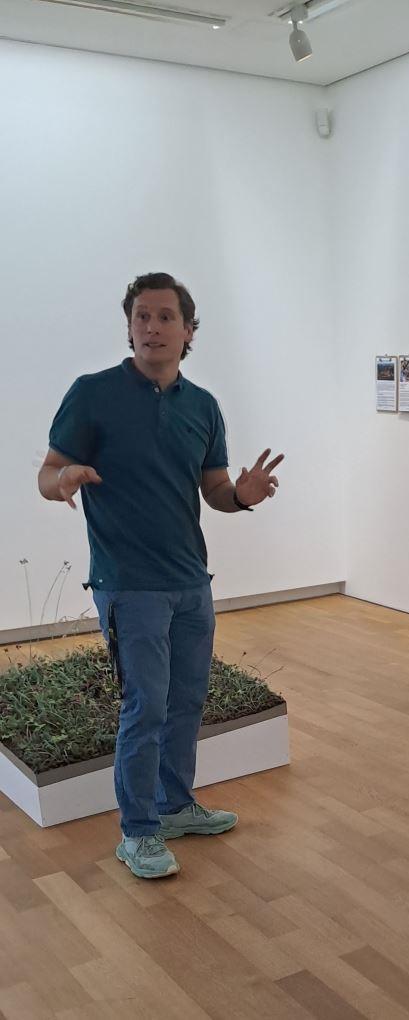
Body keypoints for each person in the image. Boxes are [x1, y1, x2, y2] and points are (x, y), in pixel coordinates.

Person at [38, 272, 284, 880]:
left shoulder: (203, 406)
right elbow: (47, 473)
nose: (152, 327)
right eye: (142, 316)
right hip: (128, 582)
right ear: (129, 327)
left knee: (186, 702)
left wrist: (243, 495)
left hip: (190, 581)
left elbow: (215, 489)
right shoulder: (92, 394)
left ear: (188, 331)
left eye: (165, 317)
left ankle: (175, 807)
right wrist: (63, 480)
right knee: (145, 706)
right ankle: (139, 831)